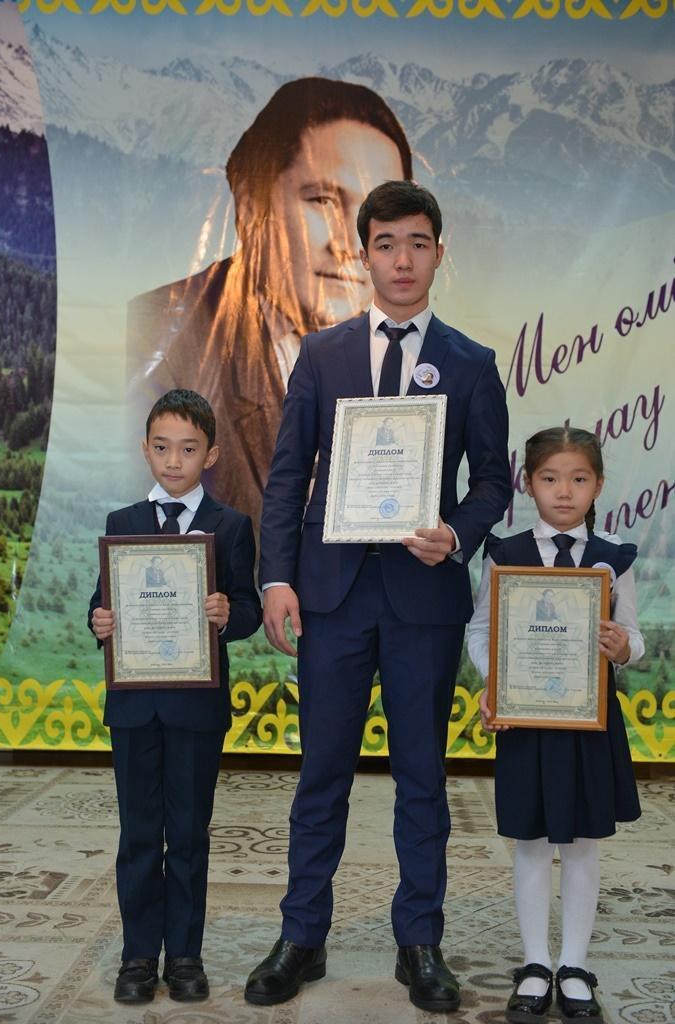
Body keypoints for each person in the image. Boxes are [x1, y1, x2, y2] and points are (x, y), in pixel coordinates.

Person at [244, 181, 512, 1012]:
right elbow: (287, 473)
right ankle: (301, 936)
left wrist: (456, 534)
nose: (402, 259)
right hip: (330, 595)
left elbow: (492, 482)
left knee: (421, 777)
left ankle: (418, 940)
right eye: (386, 243)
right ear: (364, 254)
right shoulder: (323, 354)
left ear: (439, 253)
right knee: (320, 773)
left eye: (417, 243)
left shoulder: (470, 363)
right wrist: (276, 578)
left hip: (422, 597)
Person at [127, 77, 412, 534]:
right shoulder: (157, 339)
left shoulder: (404, 355)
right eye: (323, 201)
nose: (350, 244)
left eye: (376, 218)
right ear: (250, 200)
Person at [88, 389, 262, 1005]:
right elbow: (100, 603)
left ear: (209, 455)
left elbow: (249, 609)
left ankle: (185, 954)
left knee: (188, 834)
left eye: (188, 449)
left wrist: (226, 614)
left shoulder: (230, 525)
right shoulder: (122, 523)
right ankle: (138, 955)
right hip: (134, 706)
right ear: (146, 450)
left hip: (195, 709)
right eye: (162, 448)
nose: (173, 460)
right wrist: (99, 623)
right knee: (139, 834)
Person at [467, 426, 643, 1023]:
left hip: (589, 723)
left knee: (583, 842)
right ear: (528, 484)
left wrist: (624, 647)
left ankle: (574, 966)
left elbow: (634, 636)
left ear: (597, 485)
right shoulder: (505, 553)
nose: (563, 492)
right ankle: (536, 963)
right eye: (549, 478)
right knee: (532, 842)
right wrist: (496, 682)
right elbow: (480, 630)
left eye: (578, 479)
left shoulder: (614, 557)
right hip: (527, 722)